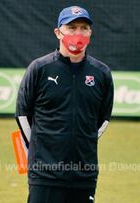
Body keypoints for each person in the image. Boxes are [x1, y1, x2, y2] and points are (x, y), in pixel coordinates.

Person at [15, 5, 113, 203]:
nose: (78, 33)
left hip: (84, 174)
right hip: (45, 175)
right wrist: (39, 149)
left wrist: (83, 140)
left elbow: (103, 119)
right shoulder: (40, 68)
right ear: (58, 32)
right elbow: (23, 115)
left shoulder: (101, 73)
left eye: (84, 28)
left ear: (90, 32)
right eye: (72, 27)